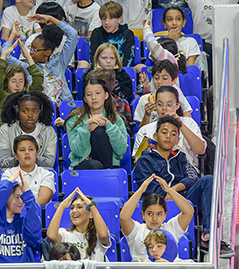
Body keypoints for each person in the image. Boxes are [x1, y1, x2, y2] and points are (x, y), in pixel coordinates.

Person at [133, 115, 214, 248]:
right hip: (156, 203)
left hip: (182, 200)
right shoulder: (145, 160)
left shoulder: (180, 157)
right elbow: (149, 186)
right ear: (155, 135)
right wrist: (166, 194)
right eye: (164, 132)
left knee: (208, 180)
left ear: (178, 140)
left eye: (173, 134)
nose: (168, 136)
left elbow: (193, 178)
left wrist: (173, 190)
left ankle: (208, 234)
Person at [120, 173, 194, 262]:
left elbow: (189, 212)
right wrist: (140, 191)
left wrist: (169, 190)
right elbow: (124, 217)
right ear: (143, 214)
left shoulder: (171, 228)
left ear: (165, 214)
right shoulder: (137, 231)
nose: (154, 219)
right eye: (150, 214)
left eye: (159, 214)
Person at [0, 170, 42, 263]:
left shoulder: (25, 223)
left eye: (23, 198)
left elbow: (34, 237)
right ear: (4, 198)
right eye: (17, 197)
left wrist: (28, 195)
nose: (22, 201)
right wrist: (7, 186)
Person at [66, 74, 129, 169]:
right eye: (88, 94)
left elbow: (121, 150)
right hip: (83, 164)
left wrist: (107, 124)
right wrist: (86, 126)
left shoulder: (116, 118)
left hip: (110, 165)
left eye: (98, 93)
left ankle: (106, 172)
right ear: (85, 99)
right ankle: (106, 174)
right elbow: (77, 151)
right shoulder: (74, 118)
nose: (93, 97)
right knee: (94, 165)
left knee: (99, 130)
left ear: (106, 95)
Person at [47, 188, 112, 261]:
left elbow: (104, 236)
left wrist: (92, 206)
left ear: (90, 214)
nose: (74, 211)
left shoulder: (98, 235)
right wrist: (62, 206)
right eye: (72, 208)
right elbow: (51, 235)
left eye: (79, 207)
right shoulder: (64, 233)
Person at [0, 92, 57, 169]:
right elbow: (2, 161)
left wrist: (30, 159)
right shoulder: (6, 129)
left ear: (40, 112)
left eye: (35, 111)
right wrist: (18, 160)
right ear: (17, 111)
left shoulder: (48, 131)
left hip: (40, 174)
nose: (30, 115)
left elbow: (50, 163)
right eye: (25, 111)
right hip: (13, 173)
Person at [1, 135, 56, 205]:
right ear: (16, 156)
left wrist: (26, 209)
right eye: (22, 150)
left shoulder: (46, 174)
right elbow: (5, 196)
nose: (27, 152)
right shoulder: (8, 174)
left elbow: (44, 198)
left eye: (31, 149)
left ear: (36, 154)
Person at [89, 1, 138, 66]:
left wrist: (119, 69)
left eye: (111, 19)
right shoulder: (97, 33)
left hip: (121, 71)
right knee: (83, 64)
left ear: (119, 19)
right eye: (103, 19)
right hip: (101, 71)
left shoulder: (127, 34)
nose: (106, 22)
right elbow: (93, 57)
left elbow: (129, 59)